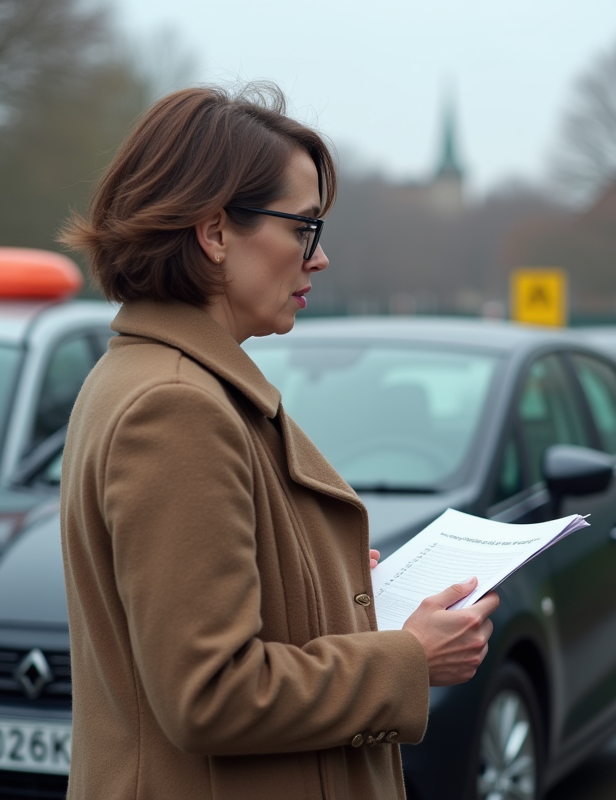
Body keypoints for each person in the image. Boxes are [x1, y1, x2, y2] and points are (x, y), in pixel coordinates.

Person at [57, 84, 499, 800]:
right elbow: (210, 692)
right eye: (303, 228)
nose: (316, 259)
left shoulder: (155, 374)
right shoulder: (175, 407)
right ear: (215, 232)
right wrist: (408, 660)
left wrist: (331, 585)